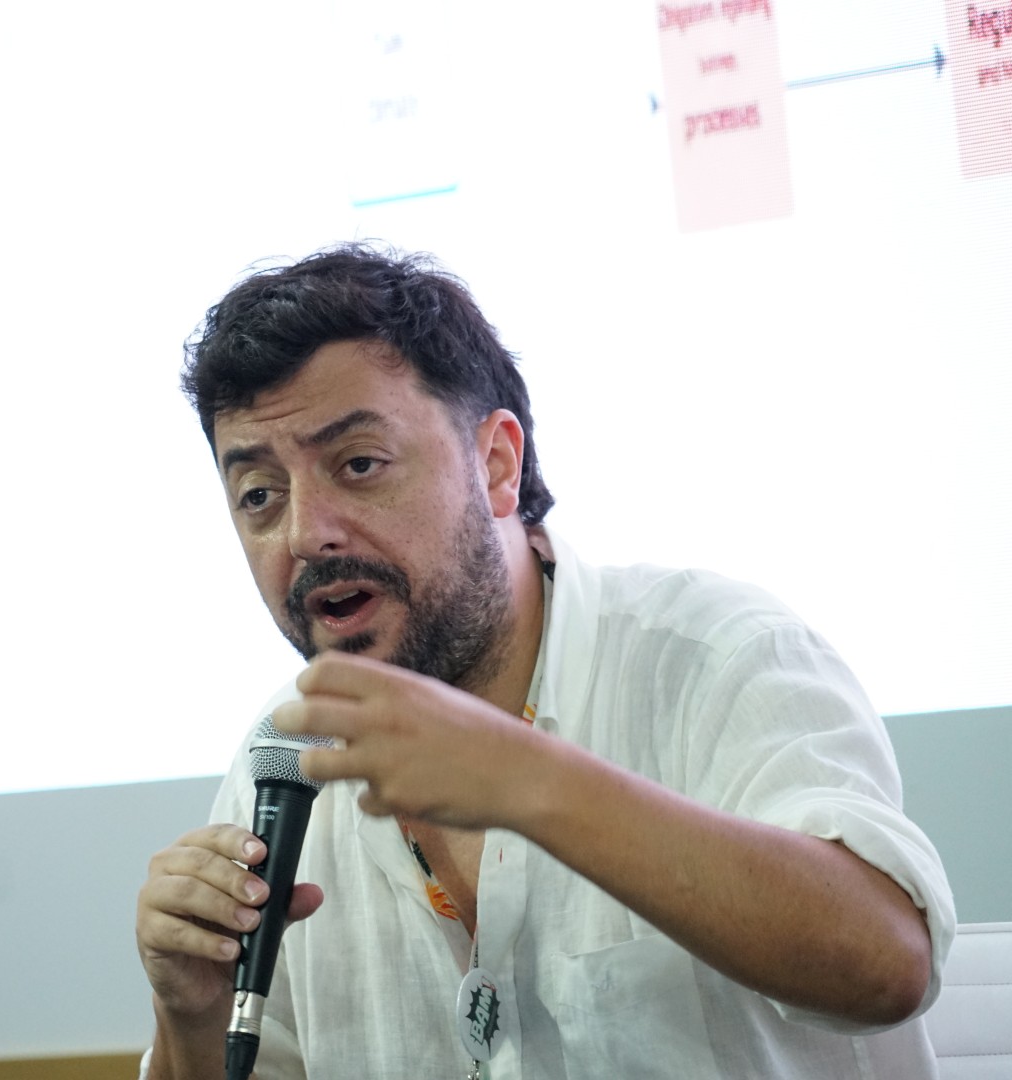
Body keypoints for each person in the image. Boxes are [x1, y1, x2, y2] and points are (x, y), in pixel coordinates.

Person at [135, 244, 954, 1078]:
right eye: (260, 495)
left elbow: (888, 964)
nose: (308, 532)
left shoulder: (718, 656)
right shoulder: (283, 757)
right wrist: (189, 1019)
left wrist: (526, 779)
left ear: (496, 463)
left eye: (359, 465)